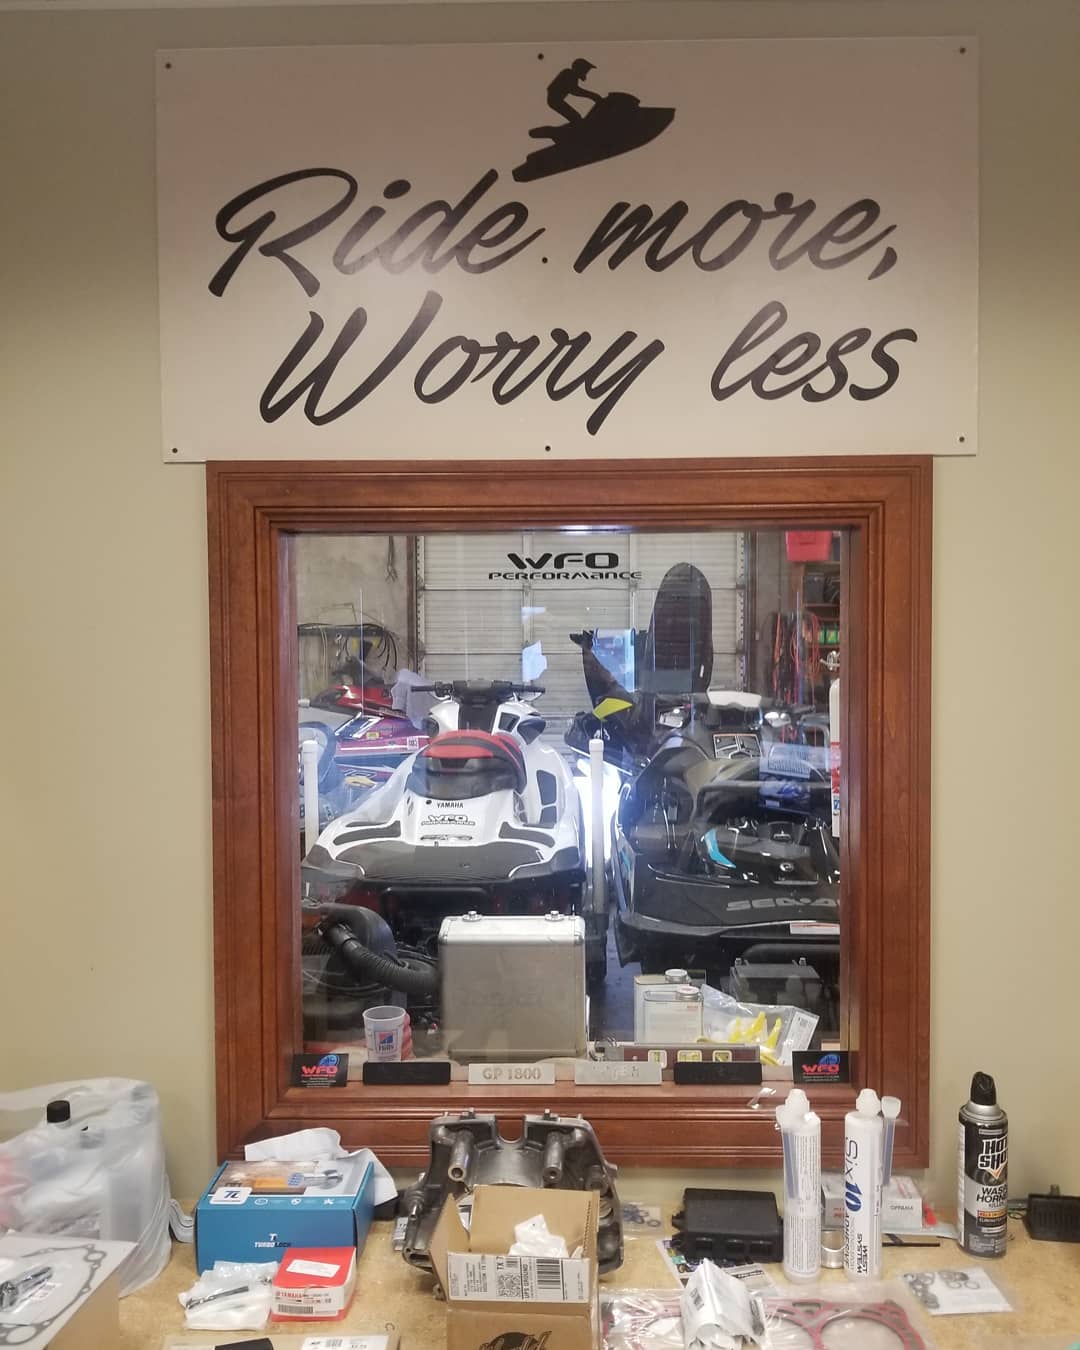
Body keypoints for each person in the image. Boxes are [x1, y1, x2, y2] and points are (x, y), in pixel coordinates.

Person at [545, 58, 603, 123]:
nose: (586, 73)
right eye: (585, 70)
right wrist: (592, 96)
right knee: (576, 118)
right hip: (555, 100)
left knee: (576, 117)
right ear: (580, 69)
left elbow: (574, 90)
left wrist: (592, 96)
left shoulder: (571, 75)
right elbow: (574, 90)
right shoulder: (569, 74)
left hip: (555, 100)